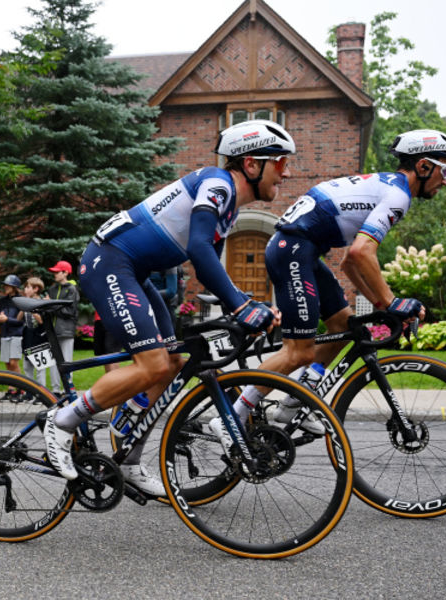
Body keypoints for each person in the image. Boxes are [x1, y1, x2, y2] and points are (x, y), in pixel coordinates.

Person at [43, 120, 287, 495]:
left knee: (172, 363)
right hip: (109, 262)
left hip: (133, 271)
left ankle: (129, 458)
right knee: (154, 363)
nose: (285, 174)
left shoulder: (229, 207)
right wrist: (241, 307)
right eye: (280, 163)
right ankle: (62, 422)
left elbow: (209, 271)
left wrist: (246, 306)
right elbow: (200, 252)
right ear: (252, 165)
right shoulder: (217, 185)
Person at [230, 128, 446, 438]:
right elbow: (362, 252)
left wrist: (379, 304)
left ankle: (294, 403)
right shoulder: (399, 194)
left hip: (301, 250)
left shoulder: (388, 187)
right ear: (423, 166)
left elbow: (351, 263)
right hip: (293, 250)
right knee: (299, 352)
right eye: (444, 169)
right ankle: (233, 417)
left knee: (346, 327)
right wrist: (392, 303)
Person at [45, 260, 80, 395]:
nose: (54, 274)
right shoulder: (52, 289)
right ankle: (55, 390)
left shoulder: (72, 289)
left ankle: (69, 389)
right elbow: (54, 309)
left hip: (66, 331)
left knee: (66, 361)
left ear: (65, 273)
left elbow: (69, 312)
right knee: (54, 361)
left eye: (57, 272)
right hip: (53, 331)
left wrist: (50, 305)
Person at [0, 274, 25, 401]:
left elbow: (20, 321)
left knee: (14, 362)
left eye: (8, 285)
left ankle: (21, 388)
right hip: (5, 334)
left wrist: (7, 319)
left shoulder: (20, 301)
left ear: (14, 287)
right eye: (5, 285)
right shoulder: (3, 301)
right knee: (7, 364)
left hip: (16, 334)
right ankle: (11, 390)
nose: (5, 287)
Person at [18, 276, 50, 388]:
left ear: (36, 289)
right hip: (28, 335)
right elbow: (18, 319)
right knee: (27, 366)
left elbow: (41, 321)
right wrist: (23, 306)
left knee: (40, 367)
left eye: (28, 287)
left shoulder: (41, 302)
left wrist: (31, 309)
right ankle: (30, 391)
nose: (25, 290)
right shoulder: (26, 302)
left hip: (39, 336)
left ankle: (41, 391)